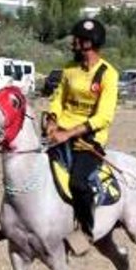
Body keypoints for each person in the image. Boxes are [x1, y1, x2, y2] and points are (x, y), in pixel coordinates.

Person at [45, 17, 119, 252]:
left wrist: (69, 134)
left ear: (90, 43)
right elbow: (58, 99)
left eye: (78, 38)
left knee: (77, 183)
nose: (73, 42)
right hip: (60, 133)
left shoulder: (108, 74)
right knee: (29, 167)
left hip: (89, 140)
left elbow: (103, 117)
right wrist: (52, 119)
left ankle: (85, 232)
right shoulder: (69, 68)